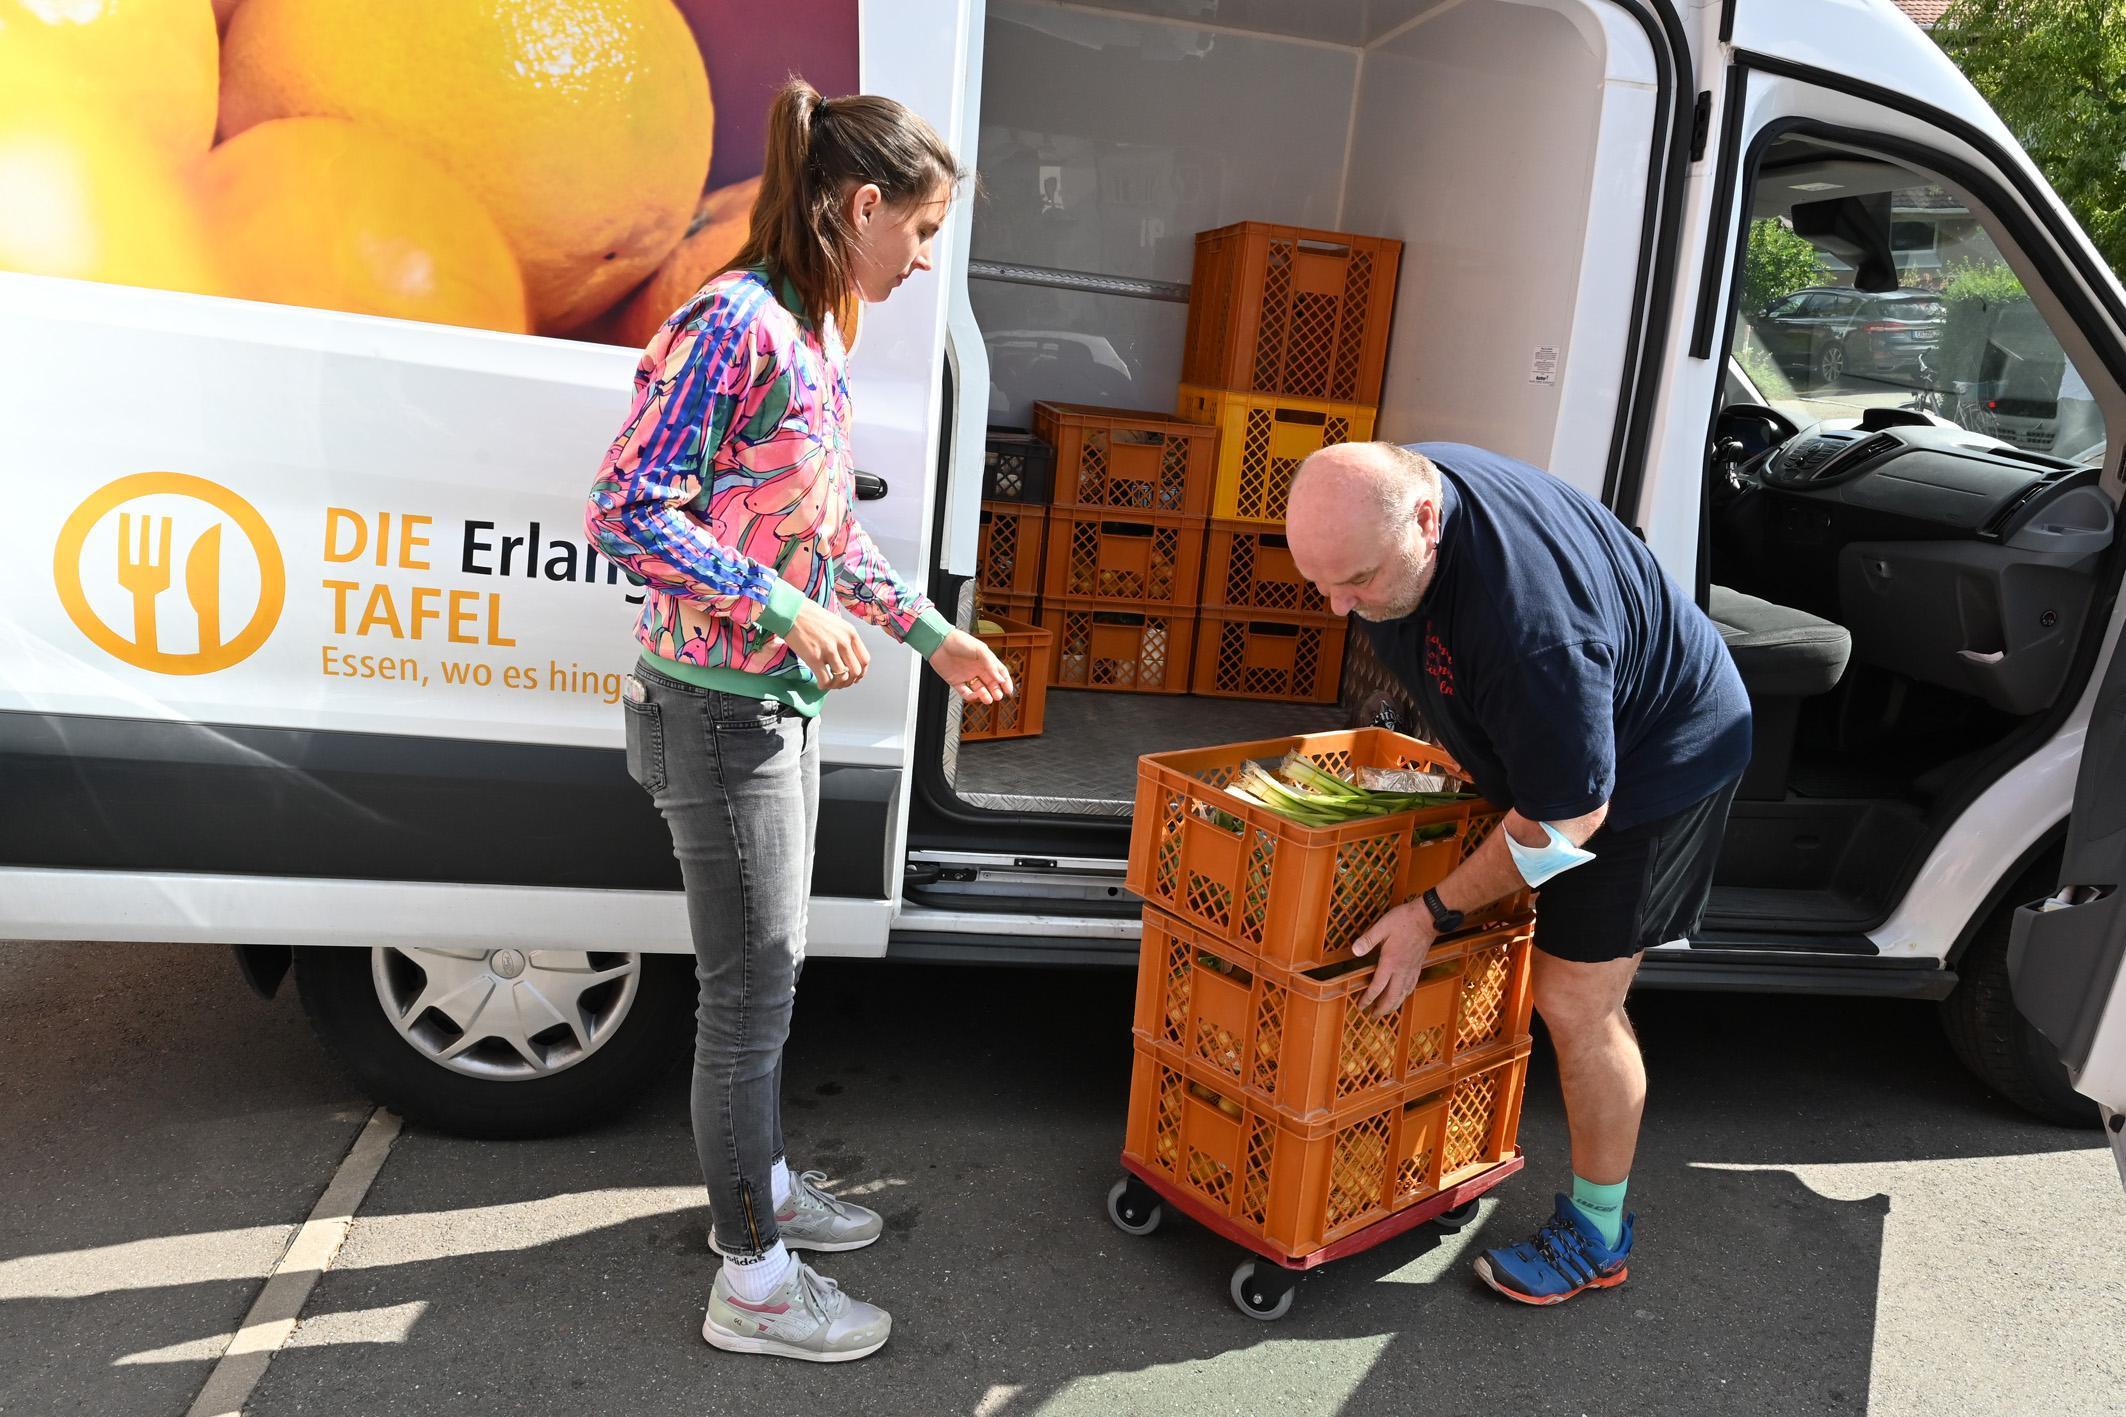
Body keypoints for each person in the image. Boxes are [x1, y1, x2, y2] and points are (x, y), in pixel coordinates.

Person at [583, 79, 1013, 1363]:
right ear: (862, 205)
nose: (927, 260)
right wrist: (772, 598)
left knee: (766, 988)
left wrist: (926, 632)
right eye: (923, 232)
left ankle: (761, 1190)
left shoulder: (816, 333)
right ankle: (752, 1286)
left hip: (761, 715)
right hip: (718, 723)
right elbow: (623, 509)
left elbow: (816, 528)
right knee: (747, 1000)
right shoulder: (737, 324)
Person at [1284, 441, 1751, 1307]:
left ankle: (1600, 1234)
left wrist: (1432, 909)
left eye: (1355, 580)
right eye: (1321, 583)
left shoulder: (1532, 631)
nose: (1340, 605)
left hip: (1658, 764)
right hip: (1567, 742)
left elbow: (1572, 817)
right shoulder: (1395, 499)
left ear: (1427, 521)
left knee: (1575, 1000)